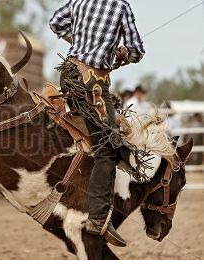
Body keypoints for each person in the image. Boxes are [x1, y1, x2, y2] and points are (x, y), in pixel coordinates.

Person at [50, 0, 145, 247]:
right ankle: (98, 217)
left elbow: (55, 22)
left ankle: (74, 194)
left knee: (86, 135)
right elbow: (136, 49)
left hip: (69, 72)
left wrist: (79, 43)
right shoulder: (120, 6)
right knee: (108, 148)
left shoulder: (80, 1)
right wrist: (120, 52)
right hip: (92, 83)